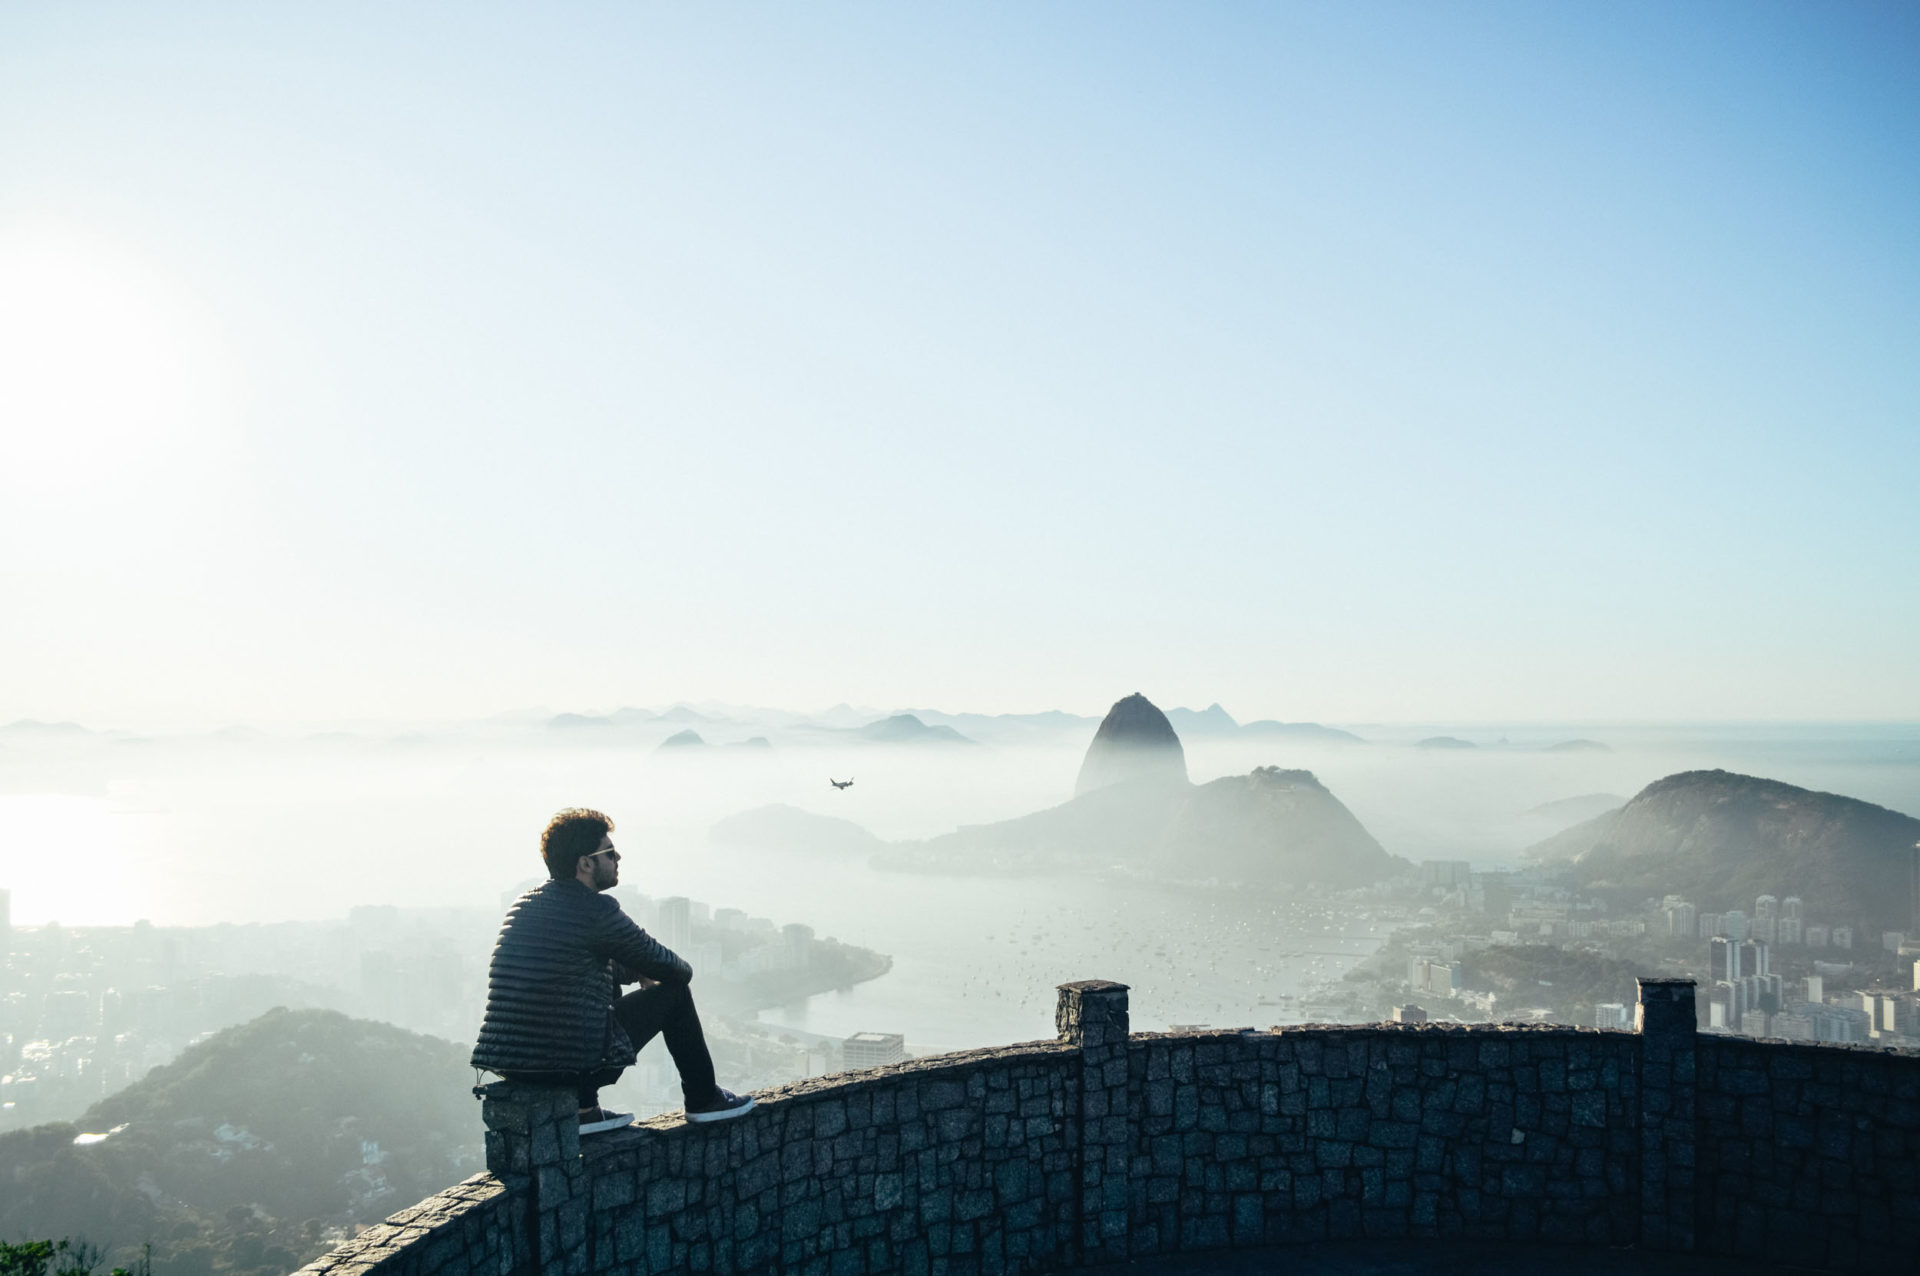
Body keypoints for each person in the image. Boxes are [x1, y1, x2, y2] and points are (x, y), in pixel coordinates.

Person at [471, 807, 754, 1132]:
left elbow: (578, 969)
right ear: (586, 863)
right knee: (675, 994)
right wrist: (647, 969)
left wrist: (632, 969)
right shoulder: (595, 909)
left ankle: (584, 1111)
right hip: (569, 1066)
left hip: (512, 1063)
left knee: (581, 1012)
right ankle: (705, 1100)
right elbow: (675, 969)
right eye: (609, 851)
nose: (618, 857)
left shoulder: (524, 905)